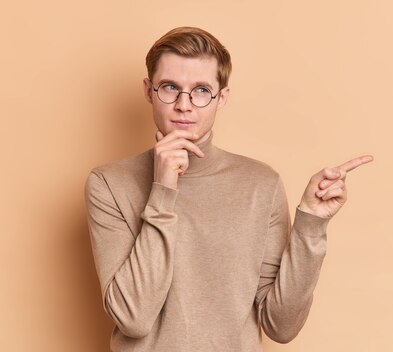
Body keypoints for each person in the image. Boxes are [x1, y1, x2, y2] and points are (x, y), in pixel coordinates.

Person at [84, 26, 373, 351]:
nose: (184, 104)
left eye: (201, 90)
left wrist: (311, 224)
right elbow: (133, 317)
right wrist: (163, 189)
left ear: (221, 97)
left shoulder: (261, 184)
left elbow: (281, 326)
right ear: (148, 91)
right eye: (170, 87)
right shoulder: (108, 184)